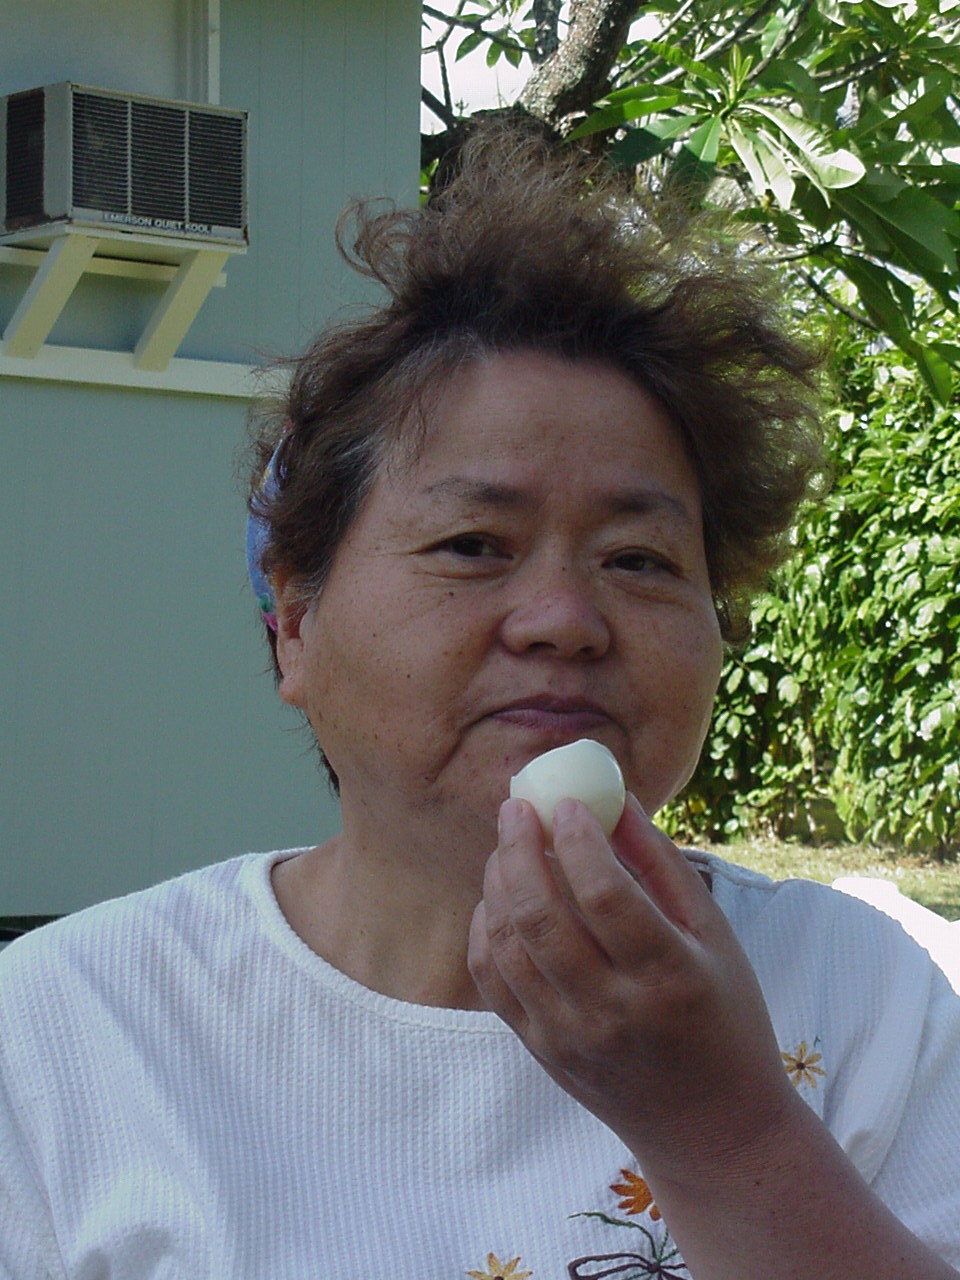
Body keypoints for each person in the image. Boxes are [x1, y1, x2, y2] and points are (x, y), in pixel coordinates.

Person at [2, 125, 958, 1280]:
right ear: (294, 622)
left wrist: (728, 1130)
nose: (565, 618)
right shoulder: (65, 1035)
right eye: (472, 543)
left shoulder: (864, 997)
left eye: (641, 559)